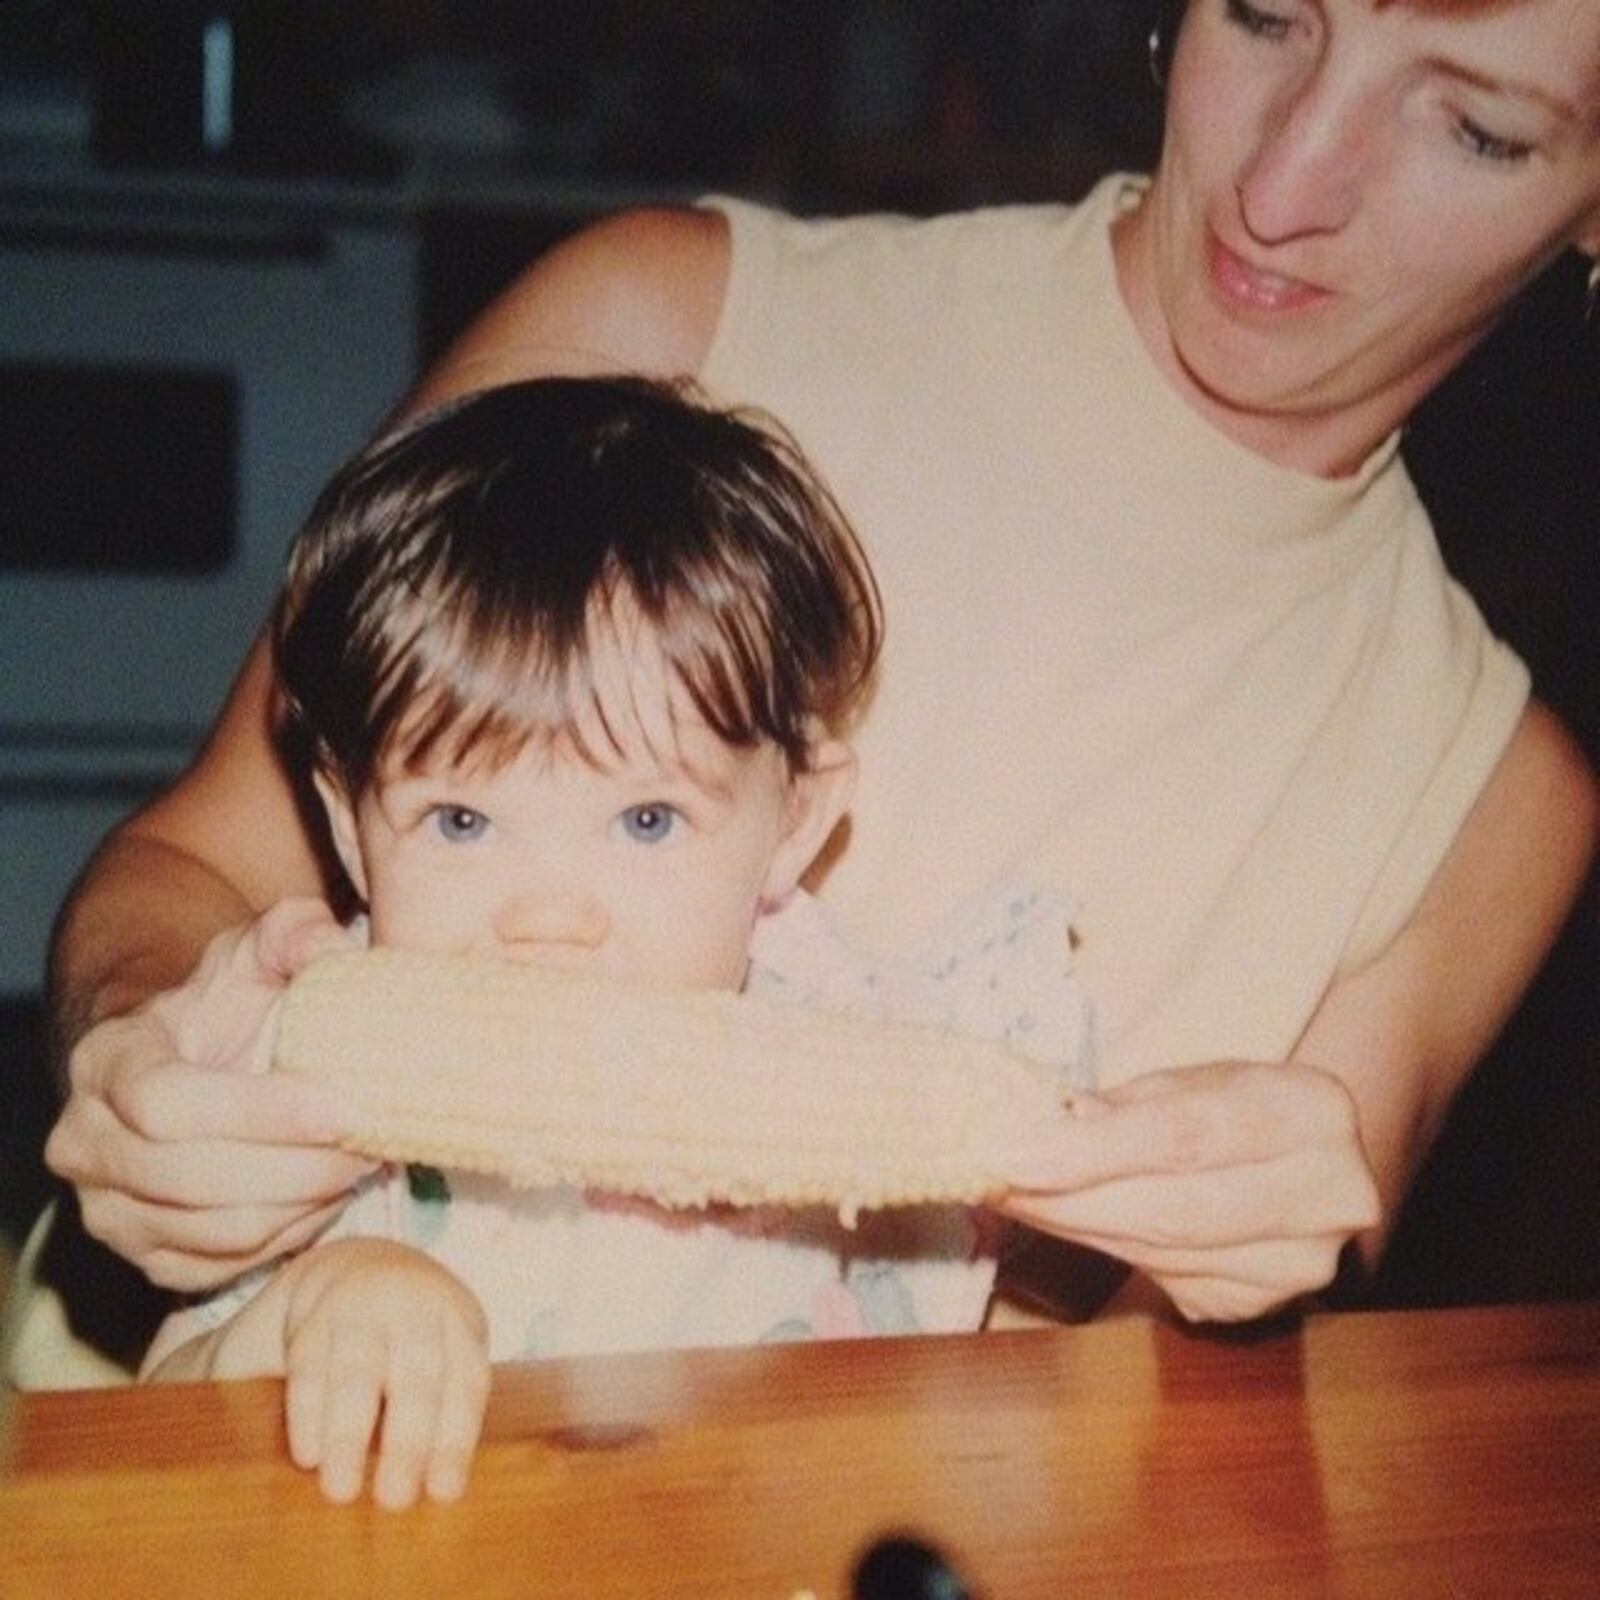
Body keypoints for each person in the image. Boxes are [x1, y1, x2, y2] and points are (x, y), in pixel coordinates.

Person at [43, 0, 1600, 1334]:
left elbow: (1163, 1418)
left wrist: (1256, 1264)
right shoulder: (665, 319)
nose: (1284, 182)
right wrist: (141, 1051)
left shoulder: (1487, 793)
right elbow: (192, 858)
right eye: (1269, 14)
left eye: (1475, 128)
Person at [135, 374, 1094, 1507]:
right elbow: (152, 1421)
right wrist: (305, 1311)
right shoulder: (308, 1095)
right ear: (349, 826)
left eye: (646, 820)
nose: (547, 917)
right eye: (460, 820)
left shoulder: (887, 1049)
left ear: (795, 821)